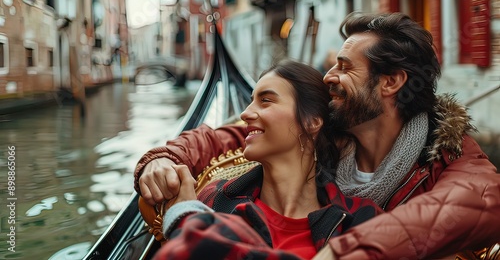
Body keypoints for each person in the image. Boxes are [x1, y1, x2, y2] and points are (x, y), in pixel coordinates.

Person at [135, 12, 500, 259]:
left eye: (344, 67)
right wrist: (164, 159)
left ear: (390, 82)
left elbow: (481, 201)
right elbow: (236, 134)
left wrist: (345, 251)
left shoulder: (447, 152)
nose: (327, 77)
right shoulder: (329, 126)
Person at [152, 60, 381, 259]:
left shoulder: (360, 219)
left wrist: (186, 219)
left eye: (266, 101)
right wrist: (161, 157)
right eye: (252, 100)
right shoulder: (216, 198)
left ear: (312, 122)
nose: (245, 114)